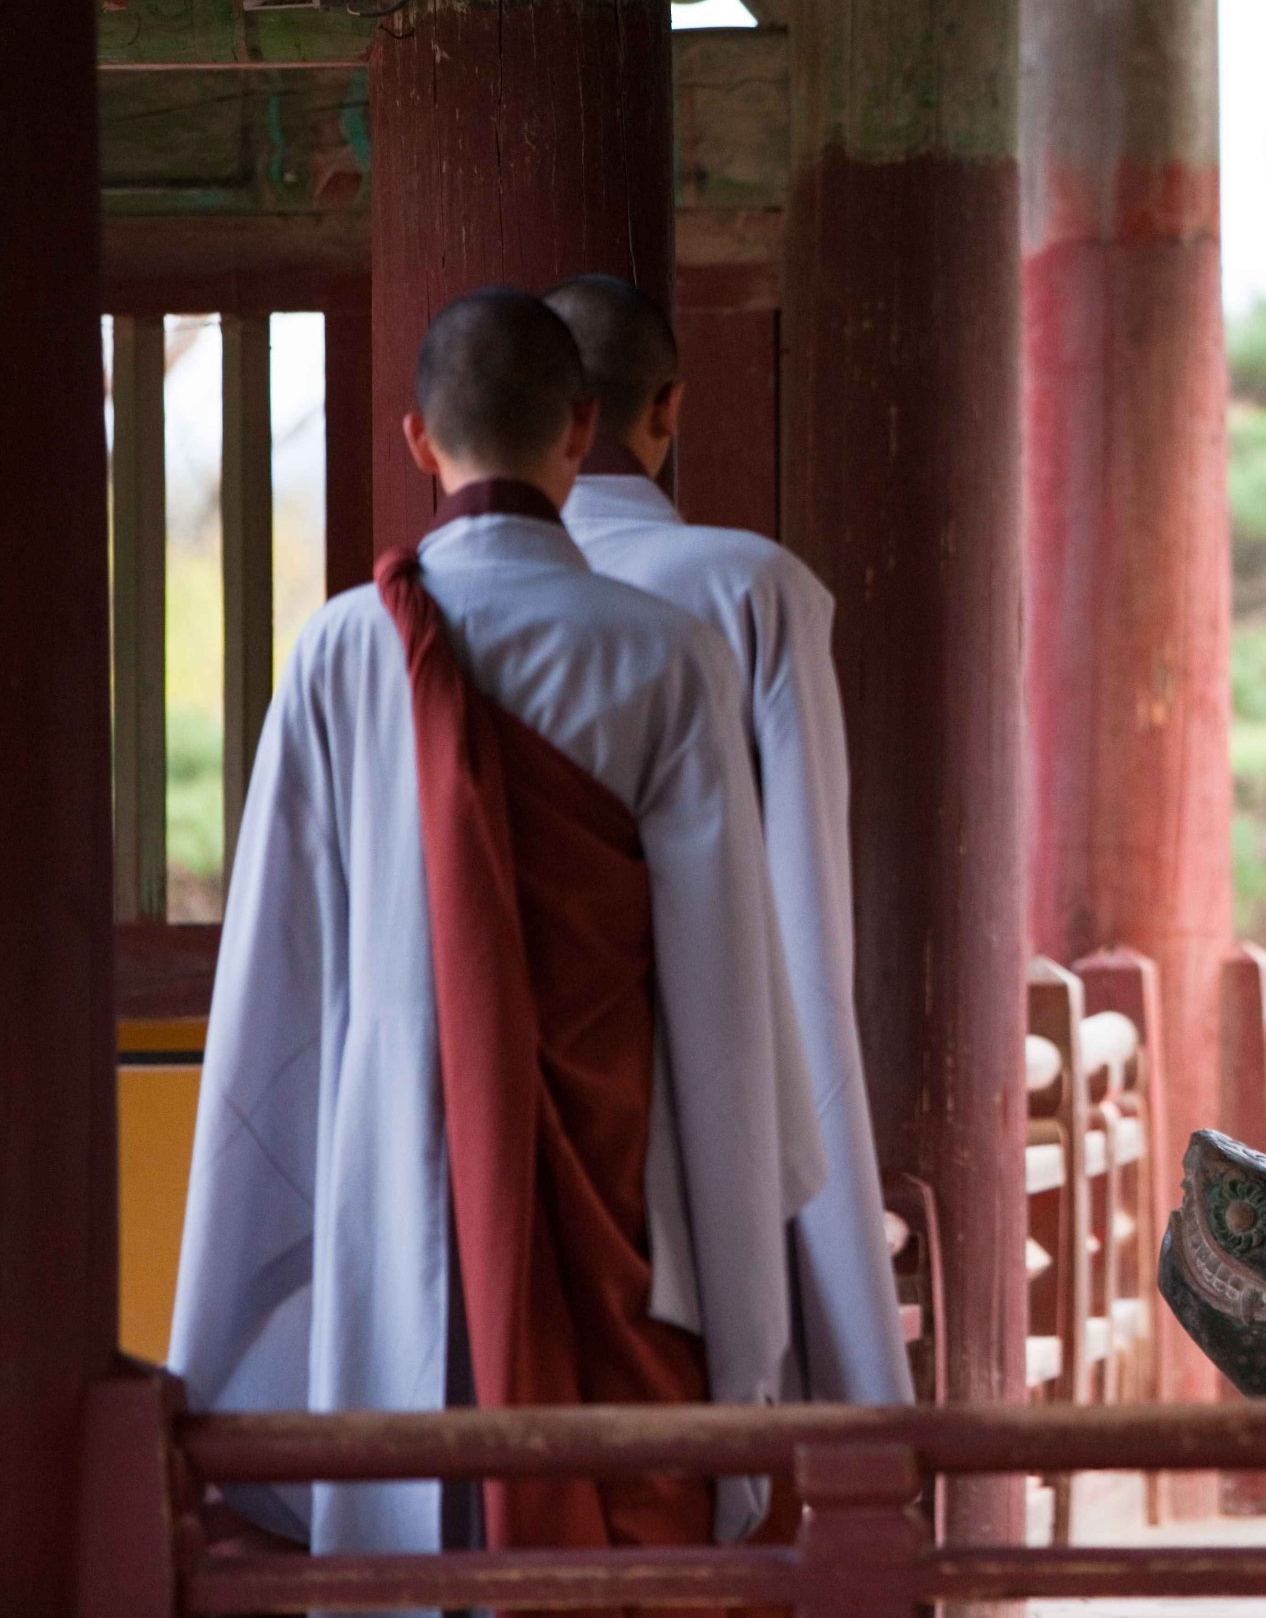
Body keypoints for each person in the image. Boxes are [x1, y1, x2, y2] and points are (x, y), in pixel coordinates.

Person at [169, 289, 824, 1571]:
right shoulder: (667, 652)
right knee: (610, 1515)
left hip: (392, 1129)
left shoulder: (341, 652)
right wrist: (741, 1223)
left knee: (408, 1448)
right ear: (585, 430)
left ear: (418, 441)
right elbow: (721, 986)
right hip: (614, 1165)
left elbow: (279, 973)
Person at [543, 273, 912, 1408]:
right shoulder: (748, 585)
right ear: (669, 409)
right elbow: (801, 899)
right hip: (716, 1057)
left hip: (515, 1066)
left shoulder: (430, 605)